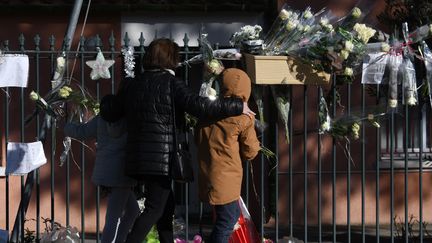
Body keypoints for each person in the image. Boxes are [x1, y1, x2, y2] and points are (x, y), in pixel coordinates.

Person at [118, 38, 255, 243]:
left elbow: (117, 111)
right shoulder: (171, 83)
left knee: (166, 207)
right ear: (170, 59)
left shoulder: (133, 84)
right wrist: (236, 106)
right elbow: (199, 106)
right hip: (160, 158)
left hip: (137, 156)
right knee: (155, 209)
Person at [195, 68, 260, 243]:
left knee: (224, 218)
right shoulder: (243, 117)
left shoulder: (208, 111)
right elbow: (251, 150)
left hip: (207, 171)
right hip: (226, 175)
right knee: (227, 220)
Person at [63, 94, 140, 243]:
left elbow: (82, 132)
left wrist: (66, 125)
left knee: (132, 210)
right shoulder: (130, 122)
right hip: (122, 174)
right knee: (114, 216)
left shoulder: (101, 120)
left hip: (106, 172)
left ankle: (120, 240)